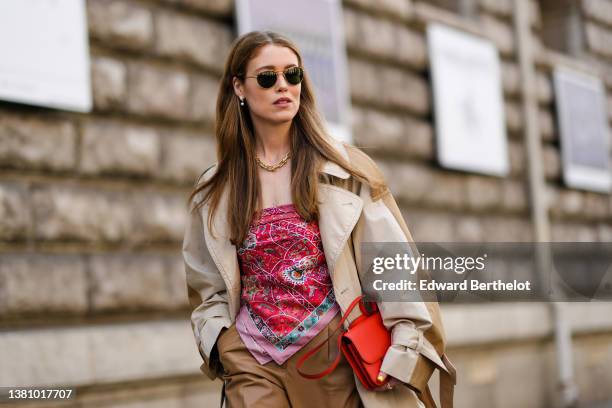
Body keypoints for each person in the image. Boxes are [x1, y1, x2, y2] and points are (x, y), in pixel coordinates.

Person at [183, 30, 452, 408]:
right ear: (239, 88)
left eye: (292, 75)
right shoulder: (216, 188)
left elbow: (393, 266)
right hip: (251, 359)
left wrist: (405, 347)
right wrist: (220, 342)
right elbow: (204, 285)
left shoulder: (343, 170)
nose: (283, 86)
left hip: (334, 354)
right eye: (266, 77)